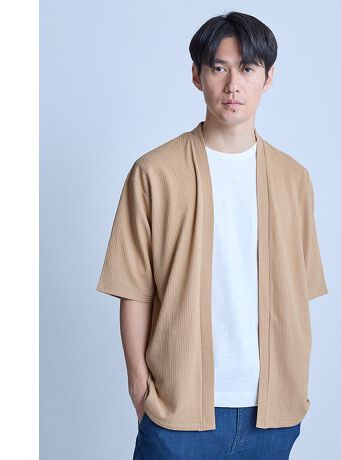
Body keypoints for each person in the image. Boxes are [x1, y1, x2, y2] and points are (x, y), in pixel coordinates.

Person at [96, 10, 328, 460]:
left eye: (248, 69)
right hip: (177, 413)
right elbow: (133, 289)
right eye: (219, 67)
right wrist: (140, 389)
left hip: (273, 414)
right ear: (197, 75)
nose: (233, 84)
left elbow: (300, 292)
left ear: (268, 78)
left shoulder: (294, 179)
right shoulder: (154, 173)